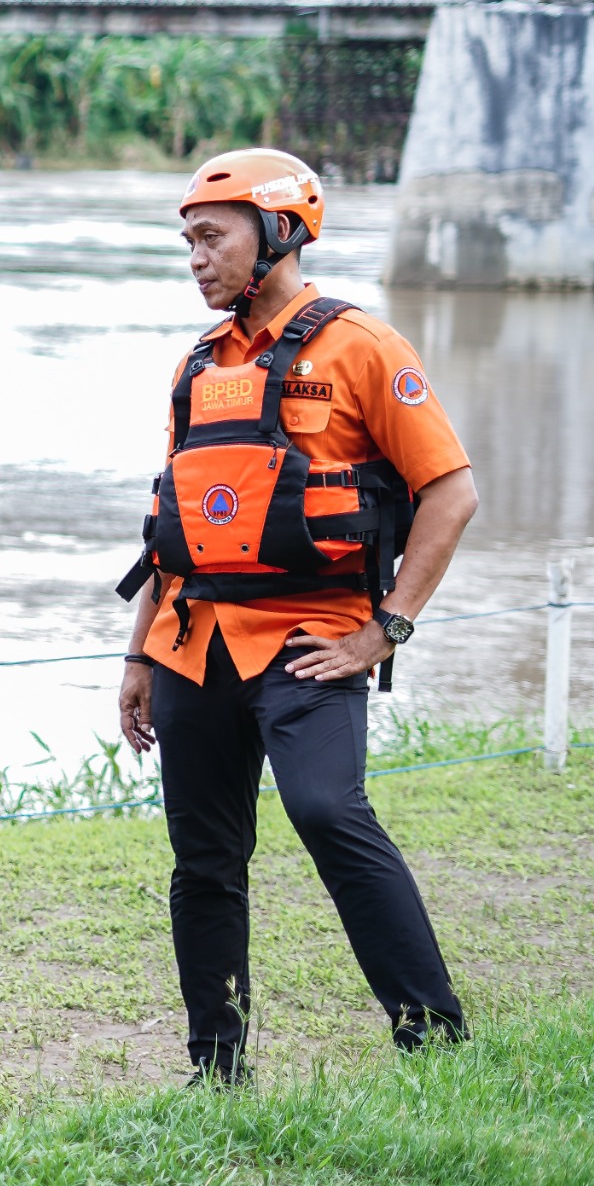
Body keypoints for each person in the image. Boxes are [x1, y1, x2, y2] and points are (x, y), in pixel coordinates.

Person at [116, 149, 480, 1083]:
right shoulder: (195, 365)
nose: (195, 258)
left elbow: (451, 493)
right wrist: (138, 656)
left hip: (310, 645)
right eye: (187, 241)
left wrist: (384, 629)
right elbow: (176, 523)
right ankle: (217, 1068)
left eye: (211, 237)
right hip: (194, 648)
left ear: (277, 233)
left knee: (327, 808)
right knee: (203, 860)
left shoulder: (364, 347)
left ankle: (433, 1040)